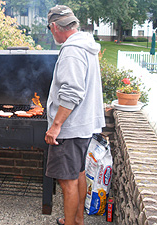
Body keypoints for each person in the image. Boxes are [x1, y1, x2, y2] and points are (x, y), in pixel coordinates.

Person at [45, 5, 105, 225]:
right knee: (78, 174)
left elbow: (72, 92)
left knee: (67, 182)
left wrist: (56, 125)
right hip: (83, 125)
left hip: (70, 128)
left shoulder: (72, 50)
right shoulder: (85, 44)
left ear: (54, 26)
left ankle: (72, 223)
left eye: (50, 29)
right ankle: (77, 220)